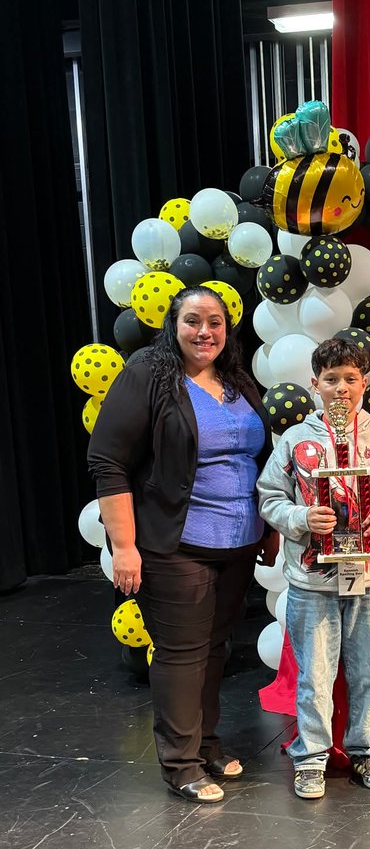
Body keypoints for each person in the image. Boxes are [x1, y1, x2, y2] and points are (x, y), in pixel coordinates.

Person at [88, 286, 277, 803]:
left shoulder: (235, 379)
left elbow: (259, 460)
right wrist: (124, 546)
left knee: (216, 648)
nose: (205, 332)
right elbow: (108, 461)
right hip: (175, 545)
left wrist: (271, 528)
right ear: (174, 325)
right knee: (181, 653)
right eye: (193, 321)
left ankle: (207, 742)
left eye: (215, 322)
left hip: (238, 543)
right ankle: (181, 763)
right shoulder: (149, 374)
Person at [256, 337, 370, 800]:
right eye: (331, 380)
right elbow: (269, 497)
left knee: (368, 671)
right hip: (314, 579)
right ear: (314, 385)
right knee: (315, 673)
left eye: (350, 379)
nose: (341, 388)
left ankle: (366, 750)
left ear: (364, 383)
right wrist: (301, 519)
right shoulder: (295, 440)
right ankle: (311, 756)